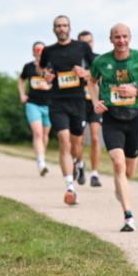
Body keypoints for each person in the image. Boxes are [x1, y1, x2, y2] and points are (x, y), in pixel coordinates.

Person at [88, 23, 138, 232]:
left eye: (124, 37)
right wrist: (95, 101)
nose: (121, 41)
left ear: (130, 38)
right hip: (112, 118)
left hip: (134, 118)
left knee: (129, 172)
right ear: (110, 39)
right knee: (118, 163)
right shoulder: (101, 61)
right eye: (117, 37)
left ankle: (120, 188)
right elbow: (90, 81)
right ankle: (128, 216)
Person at [39, 15, 95, 205]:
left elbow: (95, 69)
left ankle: (79, 163)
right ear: (54, 29)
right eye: (58, 26)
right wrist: (46, 75)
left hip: (78, 101)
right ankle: (70, 187)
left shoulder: (81, 47)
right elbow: (43, 70)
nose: (62, 29)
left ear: (69, 28)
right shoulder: (48, 51)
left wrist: (85, 73)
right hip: (57, 102)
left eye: (64, 25)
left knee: (77, 144)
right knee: (64, 141)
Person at [19, 41, 53, 176]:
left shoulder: (51, 67)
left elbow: (55, 82)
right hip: (33, 104)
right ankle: (41, 163)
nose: (39, 52)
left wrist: (49, 86)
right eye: (37, 50)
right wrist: (22, 94)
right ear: (33, 52)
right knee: (38, 133)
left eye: (41, 50)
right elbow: (21, 80)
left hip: (49, 105)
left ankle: (41, 157)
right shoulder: (28, 67)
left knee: (45, 135)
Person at [77, 30, 103, 188]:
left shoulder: (99, 59)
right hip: (78, 102)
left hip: (94, 102)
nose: (87, 44)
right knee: (79, 139)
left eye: (89, 41)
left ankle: (95, 173)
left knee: (95, 137)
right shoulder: (75, 59)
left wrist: (87, 74)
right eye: (83, 42)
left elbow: (100, 76)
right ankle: (80, 165)